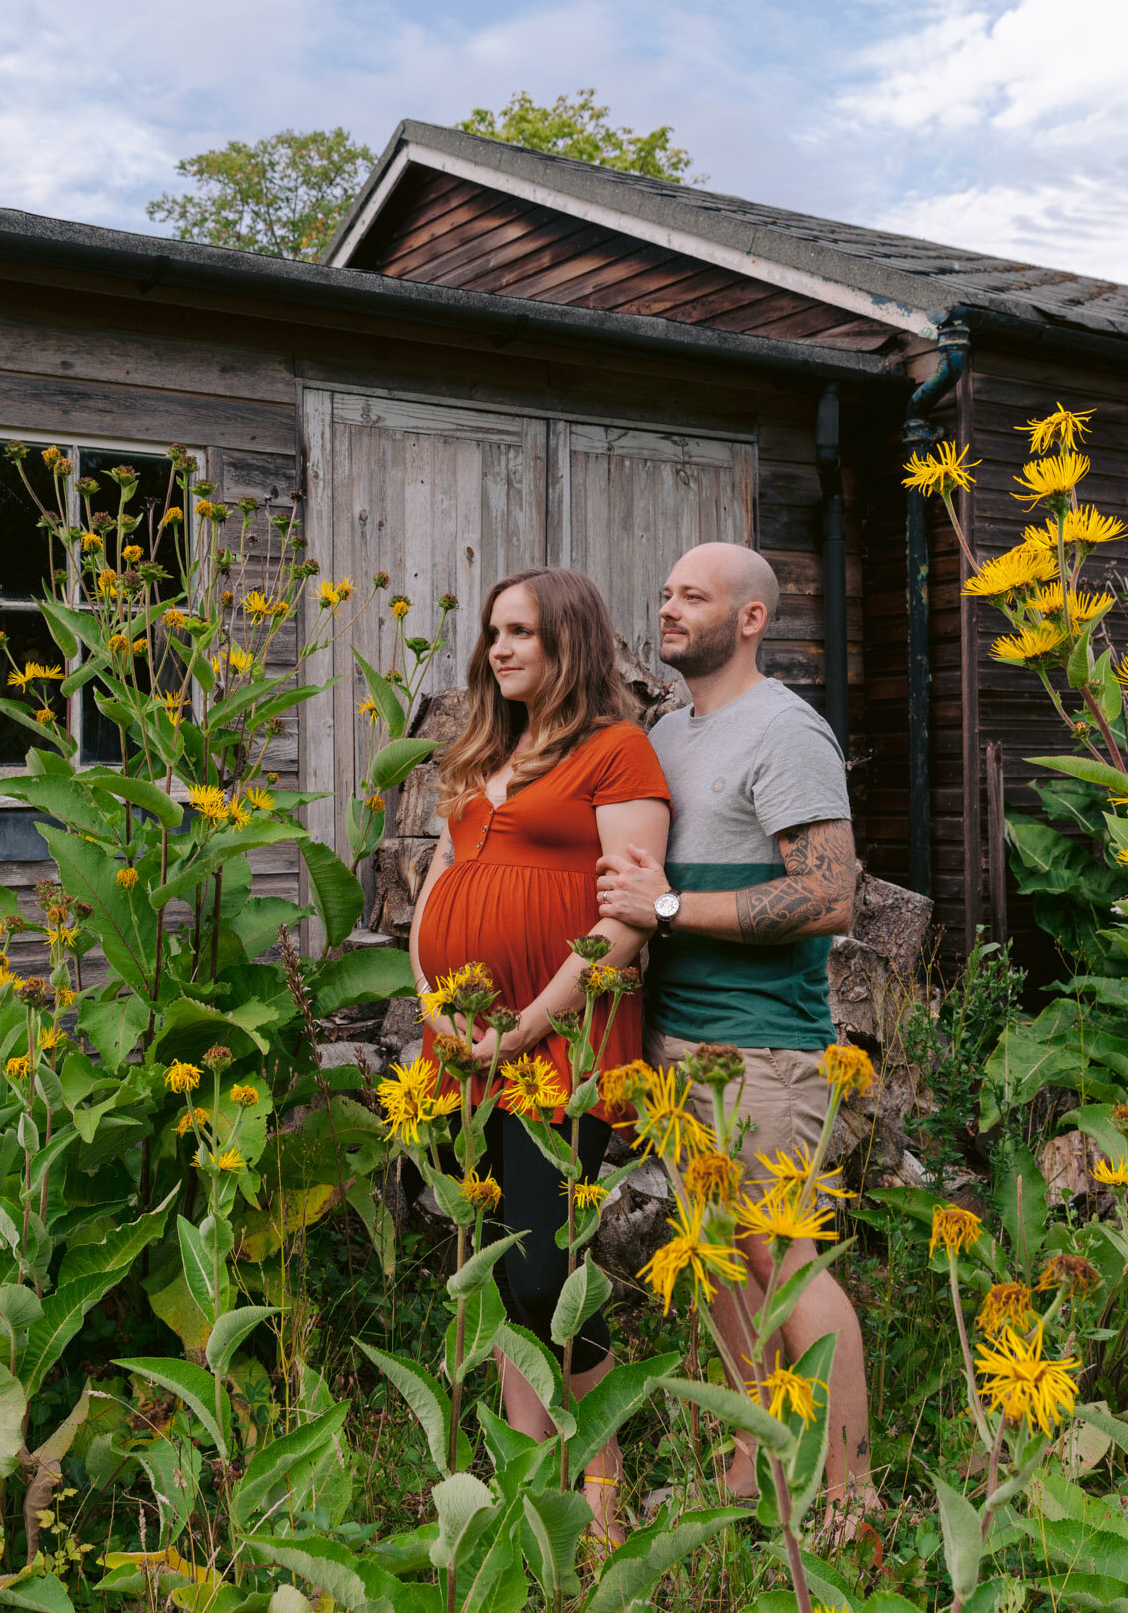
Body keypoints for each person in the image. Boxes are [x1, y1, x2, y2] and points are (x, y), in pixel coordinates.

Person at [594, 540, 878, 1533]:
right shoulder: (668, 732)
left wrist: (666, 906)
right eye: (664, 591)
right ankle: (760, 1461)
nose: (667, 608)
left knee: (781, 1258)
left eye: (694, 596)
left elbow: (826, 892)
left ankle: (847, 1495)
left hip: (763, 1049)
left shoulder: (784, 729)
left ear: (749, 617)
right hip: (677, 1046)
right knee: (715, 1255)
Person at [407, 566, 671, 1542]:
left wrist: (528, 1022)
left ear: (569, 640)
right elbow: (434, 877)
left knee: (541, 1267)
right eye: (491, 632)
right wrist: (430, 996)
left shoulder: (616, 751)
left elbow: (624, 918)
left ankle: (598, 1489)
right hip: (461, 1038)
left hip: (559, 1040)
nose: (498, 648)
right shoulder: (483, 749)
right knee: (488, 1254)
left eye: (519, 630)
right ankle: (531, 1475)